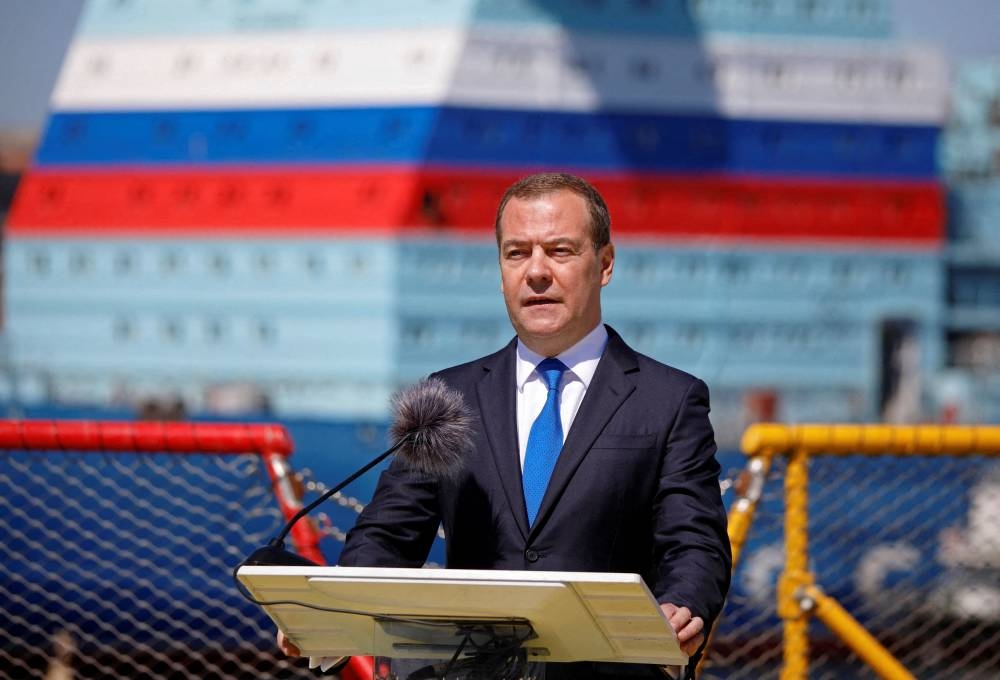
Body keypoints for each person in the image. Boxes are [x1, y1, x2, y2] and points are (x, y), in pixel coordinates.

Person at [282, 173, 731, 678]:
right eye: (517, 253)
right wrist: (333, 615)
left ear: (604, 263)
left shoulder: (668, 400)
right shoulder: (446, 397)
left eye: (559, 251)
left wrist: (683, 606)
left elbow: (694, 542)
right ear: (500, 270)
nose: (536, 272)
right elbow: (388, 535)